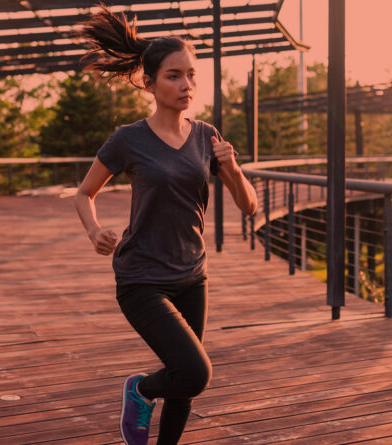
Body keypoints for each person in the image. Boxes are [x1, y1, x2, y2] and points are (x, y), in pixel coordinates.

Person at [73, 5, 258, 444]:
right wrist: (94, 230)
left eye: (191, 75)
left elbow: (249, 207)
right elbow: (84, 193)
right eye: (174, 76)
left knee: (184, 387)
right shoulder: (128, 140)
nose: (186, 85)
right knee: (194, 371)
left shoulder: (206, 135)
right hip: (141, 278)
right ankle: (139, 389)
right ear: (150, 83)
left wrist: (231, 169)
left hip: (193, 276)